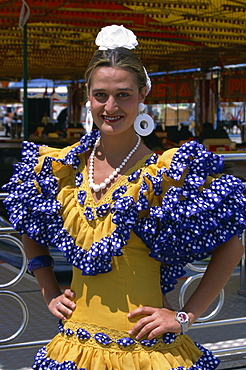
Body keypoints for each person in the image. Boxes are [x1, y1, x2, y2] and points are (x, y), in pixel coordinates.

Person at [2, 25, 246, 370]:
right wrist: (48, 290)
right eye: (101, 95)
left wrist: (185, 315)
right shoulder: (62, 167)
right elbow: (30, 223)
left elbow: (233, 245)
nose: (110, 106)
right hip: (74, 347)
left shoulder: (167, 173)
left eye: (123, 95)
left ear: (143, 94)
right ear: (88, 96)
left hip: (146, 352)